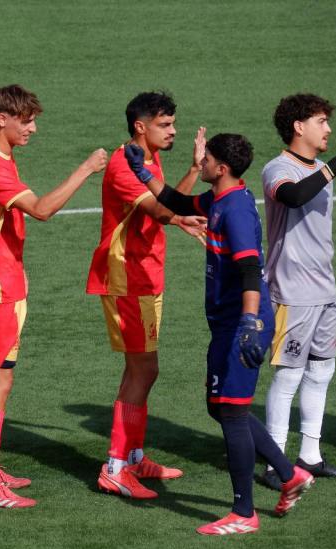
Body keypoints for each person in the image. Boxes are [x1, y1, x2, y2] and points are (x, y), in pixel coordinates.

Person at [121, 133, 314, 534]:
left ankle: (244, 513)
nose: (201, 161)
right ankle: (290, 475)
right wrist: (142, 173)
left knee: (232, 411)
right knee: (220, 406)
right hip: (227, 324)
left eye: (206, 159)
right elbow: (177, 202)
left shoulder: (236, 211)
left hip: (242, 324)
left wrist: (250, 322)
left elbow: (250, 270)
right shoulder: (220, 198)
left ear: (222, 168)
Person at [0, 84, 107, 508]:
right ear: (2, 119)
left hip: (5, 282)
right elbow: (42, 209)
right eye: (26, 121)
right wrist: (85, 169)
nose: (33, 129)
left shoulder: (0, 156)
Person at [85, 91, 207, 499]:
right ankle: (115, 467)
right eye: (164, 125)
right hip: (127, 278)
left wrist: (192, 173)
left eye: (173, 123)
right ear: (141, 126)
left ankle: (133, 458)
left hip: (146, 276)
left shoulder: (148, 158)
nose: (173, 131)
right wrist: (179, 216)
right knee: (143, 370)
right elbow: (160, 210)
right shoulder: (125, 164)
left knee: (141, 369)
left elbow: (166, 201)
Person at [259, 94, 336, 489]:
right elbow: (293, 196)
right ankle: (274, 463)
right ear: (299, 127)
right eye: (321, 121)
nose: (328, 129)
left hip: (324, 288)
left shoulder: (318, 170)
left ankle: (310, 455)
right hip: (292, 291)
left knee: (322, 370)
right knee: (289, 375)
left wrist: (330, 168)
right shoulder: (278, 168)